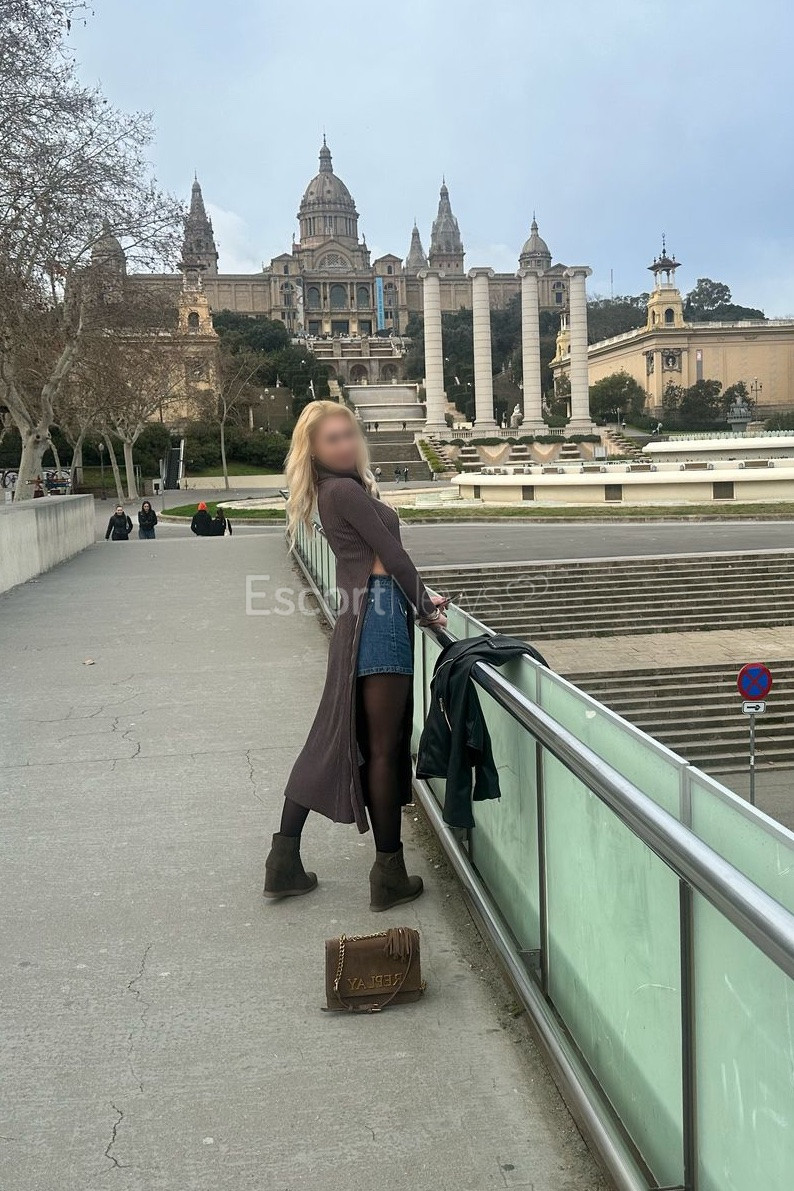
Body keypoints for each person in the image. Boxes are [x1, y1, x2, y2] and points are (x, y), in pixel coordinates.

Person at [263, 400, 447, 910]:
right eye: (333, 438)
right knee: (383, 750)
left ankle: (283, 861)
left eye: (349, 434)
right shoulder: (343, 491)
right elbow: (393, 557)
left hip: (356, 616)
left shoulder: (332, 490)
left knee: (333, 737)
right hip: (381, 616)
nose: (345, 445)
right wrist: (425, 606)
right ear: (312, 449)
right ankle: (389, 875)